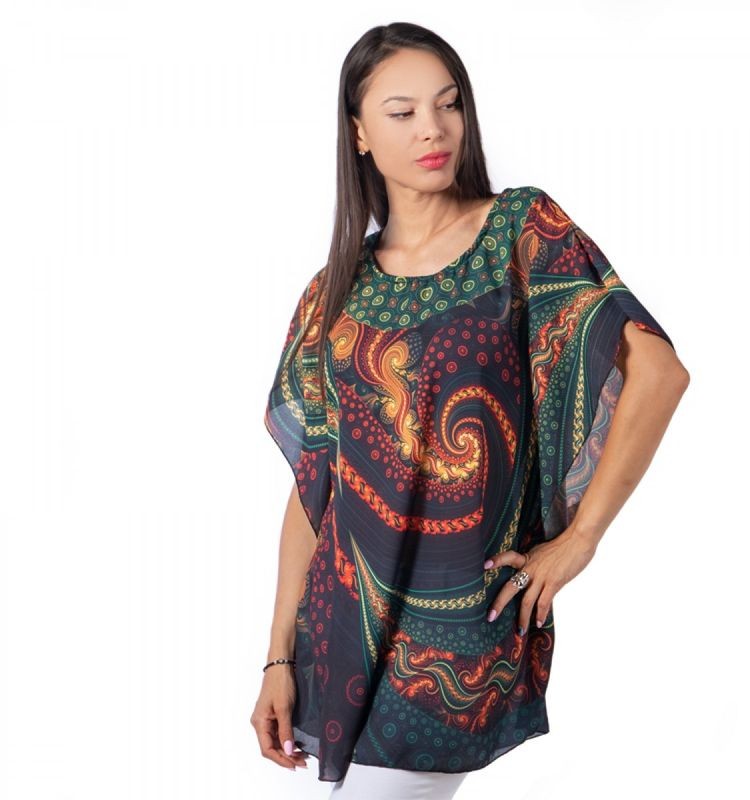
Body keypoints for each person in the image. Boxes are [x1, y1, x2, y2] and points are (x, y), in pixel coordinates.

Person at [250, 21, 690, 799]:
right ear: (358, 134)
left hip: (448, 646)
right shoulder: (332, 294)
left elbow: (657, 372)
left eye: (448, 104)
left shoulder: (519, 231)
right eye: (402, 112)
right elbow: (316, 488)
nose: (433, 128)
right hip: (337, 635)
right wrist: (277, 657)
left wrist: (580, 541)